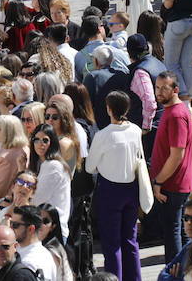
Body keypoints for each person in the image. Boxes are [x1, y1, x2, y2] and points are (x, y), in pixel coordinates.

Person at [86, 89, 145, 281]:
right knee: (130, 240)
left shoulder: (103, 135)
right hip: (131, 189)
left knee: (112, 244)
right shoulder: (135, 130)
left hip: (110, 190)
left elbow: (90, 167)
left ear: (109, 109)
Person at [150, 71, 192, 262]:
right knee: (181, 232)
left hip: (173, 186)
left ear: (175, 90)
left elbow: (177, 155)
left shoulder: (176, 115)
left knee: (173, 232)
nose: (159, 92)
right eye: (157, 88)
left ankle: (175, 273)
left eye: (164, 88)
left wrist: (158, 181)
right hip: (175, 184)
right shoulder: (172, 110)